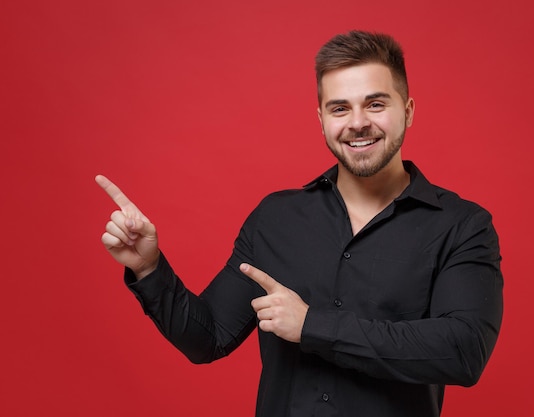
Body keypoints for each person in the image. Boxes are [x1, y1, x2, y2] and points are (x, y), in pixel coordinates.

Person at [97, 30, 503, 417]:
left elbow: (464, 352)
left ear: (408, 111)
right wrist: (148, 268)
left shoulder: (462, 226)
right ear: (321, 119)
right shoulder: (276, 218)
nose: (357, 122)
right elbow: (209, 338)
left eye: (376, 104)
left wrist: (313, 326)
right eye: (339, 108)